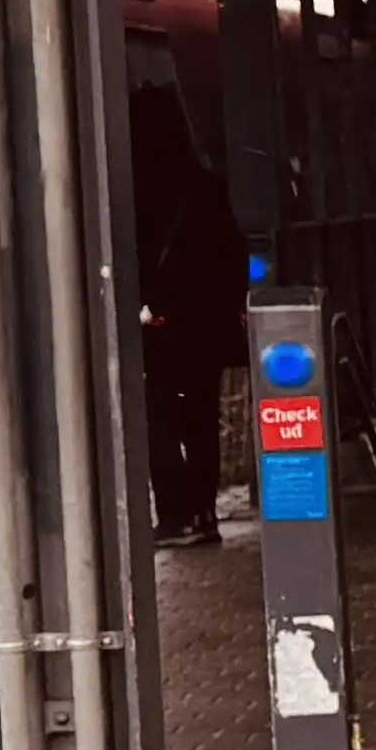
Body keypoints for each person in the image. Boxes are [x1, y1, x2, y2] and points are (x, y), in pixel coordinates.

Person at [127, 94, 248, 549]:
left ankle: (174, 514)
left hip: (156, 328)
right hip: (203, 329)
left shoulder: (132, 192)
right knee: (200, 420)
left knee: (158, 421)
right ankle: (204, 512)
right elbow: (233, 257)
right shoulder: (209, 188)